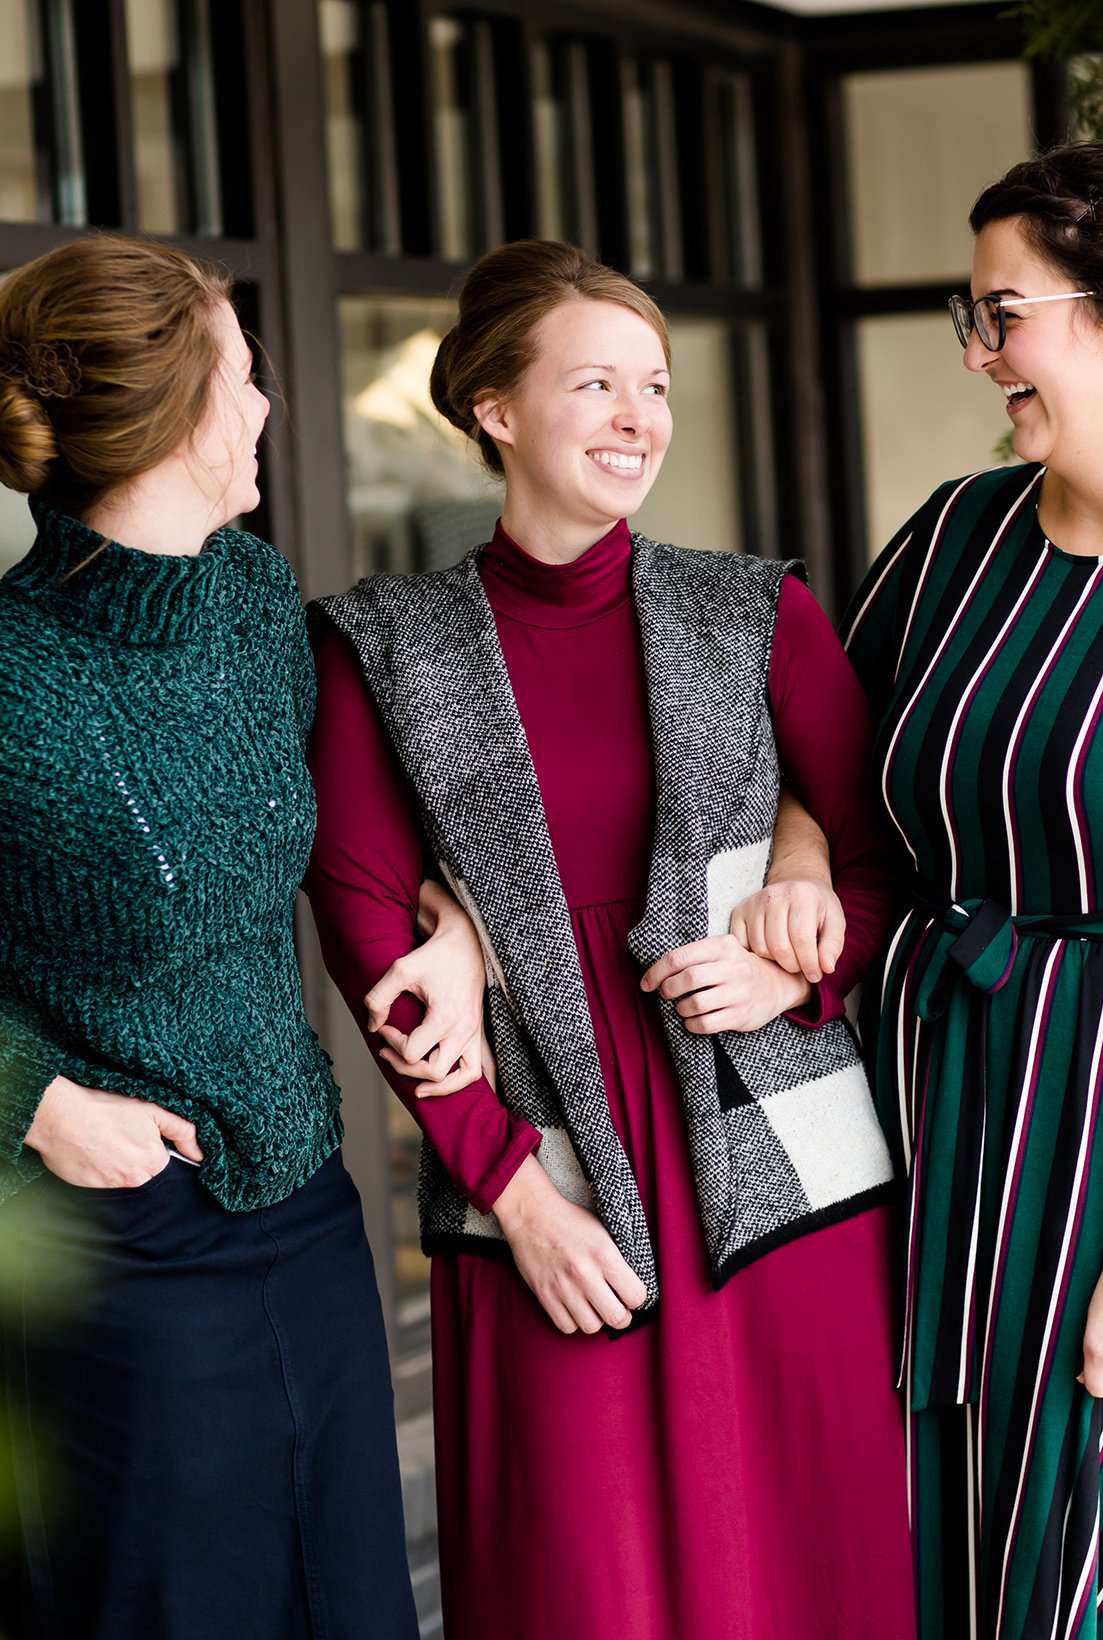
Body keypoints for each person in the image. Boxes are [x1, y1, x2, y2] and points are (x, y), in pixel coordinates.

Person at [303, 238, 915, 1640]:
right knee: (578, 1586)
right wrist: (512, 1195)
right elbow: (361, 926)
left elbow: (882, 851)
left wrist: (796, 957)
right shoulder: (382, 643)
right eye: (596, 384)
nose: (641, 418)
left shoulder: (754, 607)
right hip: (547, 1178)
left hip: (776, 1164)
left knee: (819, 1569)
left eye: (657, 384)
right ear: (495, 409)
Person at [755, 140, 1103, 1638]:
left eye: (1006, 315)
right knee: (927, 1514)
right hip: (928, 1099)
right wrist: (805, 863)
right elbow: (819, 751)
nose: (978, 352)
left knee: (1102, 1523)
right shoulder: (956, 535)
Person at [0, 235, 425, 1640]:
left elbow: (368, 840)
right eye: (245, 376)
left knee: (349, 1596)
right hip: (113, 1249)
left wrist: (459, 937)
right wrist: (40, 1102)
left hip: (303, 1208)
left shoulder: (253, 606)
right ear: (181, 411)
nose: (264, 405)